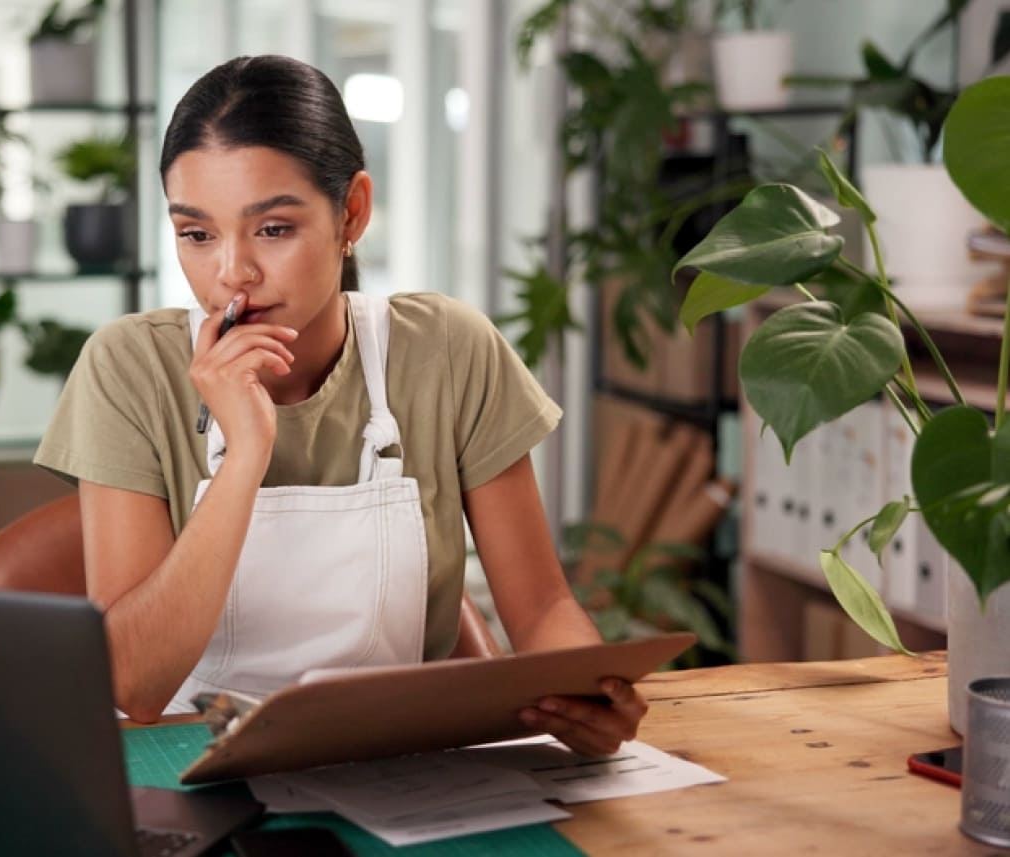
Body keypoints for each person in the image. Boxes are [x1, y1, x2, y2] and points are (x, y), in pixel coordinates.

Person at [34, 54, 647, 755]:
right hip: (182, 769)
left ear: (351, 212)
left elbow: (541, 609)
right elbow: (136, 683)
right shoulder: (128, 368)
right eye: (196, 234)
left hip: (391, 767)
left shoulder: (446, 350)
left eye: (272, 228)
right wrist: (244, 458)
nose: (232, 272)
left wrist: (587, 698)